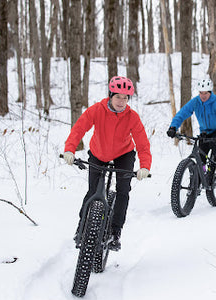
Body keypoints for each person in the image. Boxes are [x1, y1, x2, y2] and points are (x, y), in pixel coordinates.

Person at [63, 76, 151, 251]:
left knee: (123, 191)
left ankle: (115, 232)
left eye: (125, 98)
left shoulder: (132, 117)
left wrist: (144, 166)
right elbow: (79, 128)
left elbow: (142, 143)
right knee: (92, 190)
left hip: (123, 154)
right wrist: (69, 149)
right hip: (99, 152)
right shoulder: (97, 110)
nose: (121, 101)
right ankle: (81, 227)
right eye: (118, 96)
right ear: (110, 95)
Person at [166, 78, 216, 178]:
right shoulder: (196, 102)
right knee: (201, 158)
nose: (203, 96)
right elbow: (182, 114)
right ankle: (201, 178)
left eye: (205, 93)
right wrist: (173, 127)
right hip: (204, 132)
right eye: (201, 93)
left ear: (210, 92)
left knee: (215, 148)